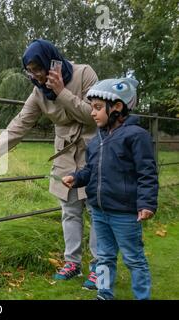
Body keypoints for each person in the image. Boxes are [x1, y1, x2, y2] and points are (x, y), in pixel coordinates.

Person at [0, 39, 99, 289]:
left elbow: (93, 117)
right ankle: (72, 263)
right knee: (70, 211)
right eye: (30, 70)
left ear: (52, 61)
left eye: (38, 68)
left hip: (92, 153)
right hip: (64, 156)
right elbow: (19, 124)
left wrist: (62, 91)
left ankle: (99, 266)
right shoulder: (38, 92)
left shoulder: (85, 74)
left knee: (96, 212)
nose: (36, 76)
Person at [62, 77, 158, 300]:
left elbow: (147, 173)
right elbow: (91, 171)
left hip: (125, 214)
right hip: (99, 212)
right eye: (92, 108)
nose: (93, 113)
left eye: (97, 108)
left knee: (134, 258)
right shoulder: (97, 140)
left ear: (116, 107)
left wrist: (146, 203)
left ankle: (142, 296)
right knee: (104, 257)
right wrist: (76, 178)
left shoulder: (136, 136)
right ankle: (104, 295)